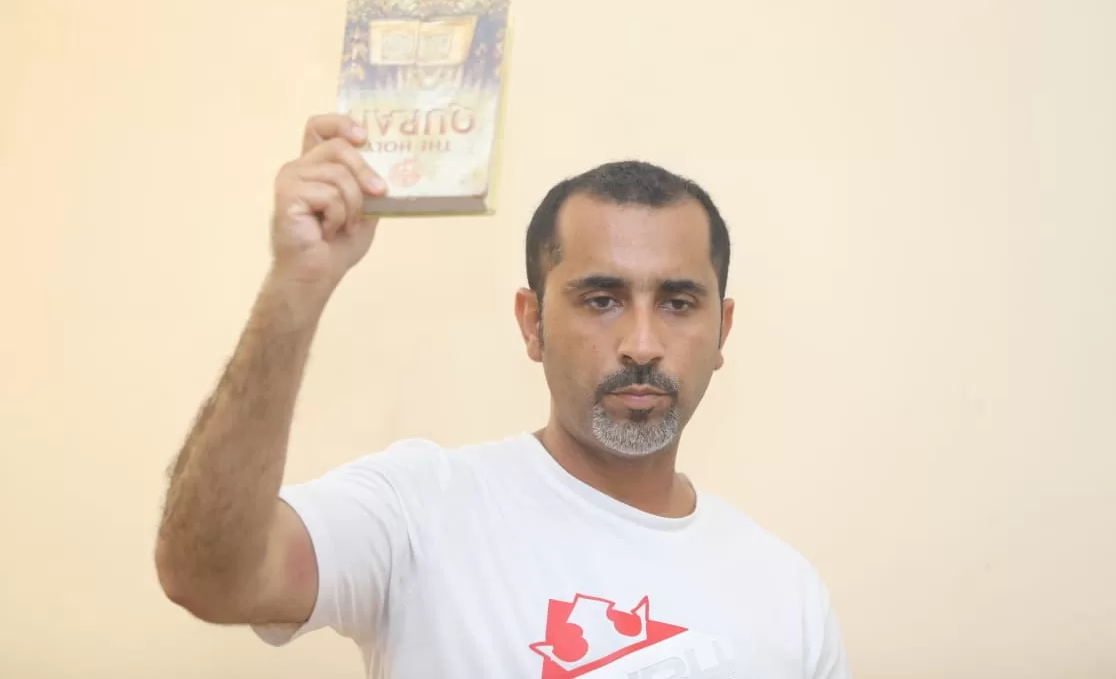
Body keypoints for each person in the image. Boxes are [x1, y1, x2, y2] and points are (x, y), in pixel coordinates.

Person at [155, 113, 852, 679]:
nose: (642, 343)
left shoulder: (786, 595)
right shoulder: (419, 511)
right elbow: (209, 577)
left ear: (722, 329)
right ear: (532, 323)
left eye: (677, 303)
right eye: (602, 299)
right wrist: (295, 286)